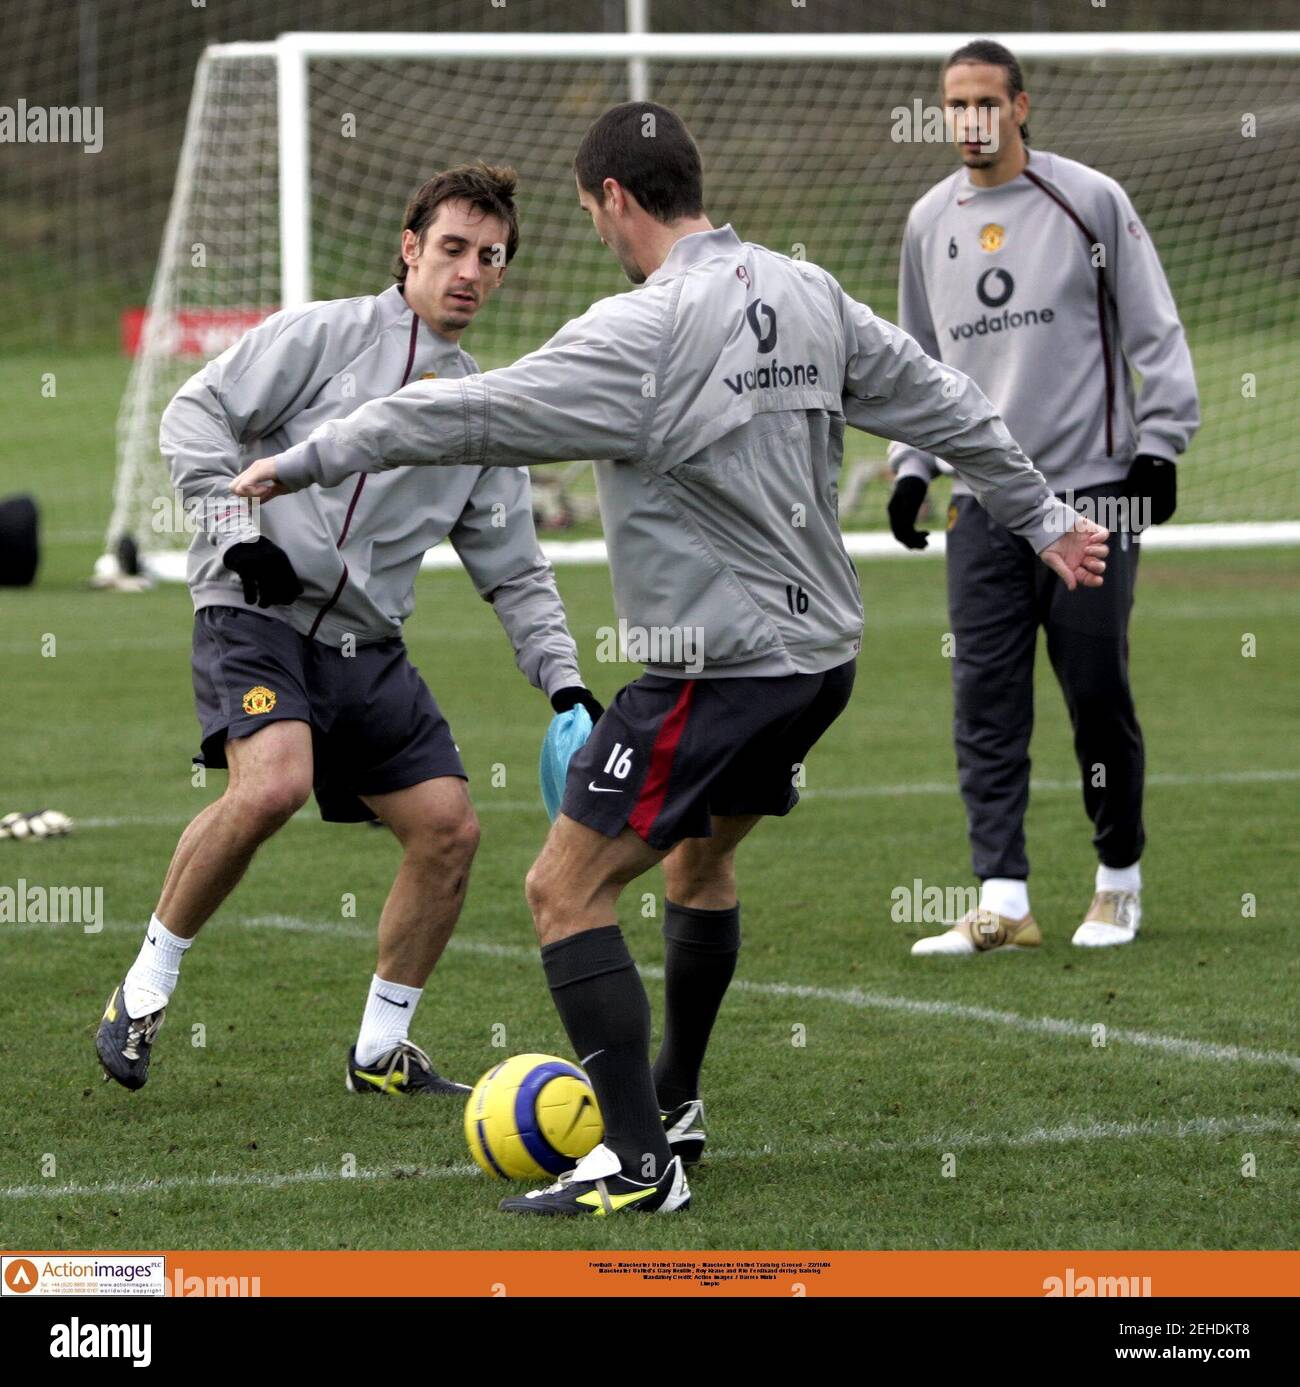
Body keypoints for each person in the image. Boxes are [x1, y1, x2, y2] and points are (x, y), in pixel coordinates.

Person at [233, 103, 1108, 1215]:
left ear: (609, 200)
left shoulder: (635, 332)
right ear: (690, 182)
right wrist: (1039, 515)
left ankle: (641, 1164)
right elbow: (945, 399)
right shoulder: (805, 289)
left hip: (717, 668)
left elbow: (460, 412)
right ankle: (676, 1106)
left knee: (561, 890)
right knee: (699, 863)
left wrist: (306, 459)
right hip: (821, 660)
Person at [95, 163, 601, 1097]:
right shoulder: (321, 334)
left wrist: (565, 683)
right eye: (452, 248)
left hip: (365, 643)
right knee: (272, 785)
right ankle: (143, 989)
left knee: (449, 829)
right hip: (253, 612)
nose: (469, 272)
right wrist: (238, 535)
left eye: (490, 258)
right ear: (410, 249)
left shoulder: (483, 414)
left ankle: (379, 1053)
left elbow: (516, 570)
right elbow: (194, 412)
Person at [886, 40, 1199, 956]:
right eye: (955, 105)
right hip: (983, 507)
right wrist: (913, 467)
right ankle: (1004, 899)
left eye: (987, 102)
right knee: (984, 697)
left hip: (1094, 496)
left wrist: (1160, 448)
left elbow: (1154, 323)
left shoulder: (1090, 200)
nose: (971, 120)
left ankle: (1117, 882)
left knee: (1096, 690)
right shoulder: (926, 223)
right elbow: (917, 364)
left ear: (1021, 107)